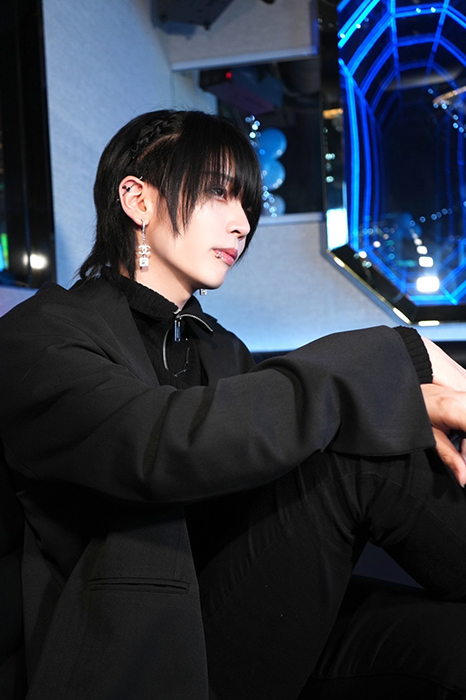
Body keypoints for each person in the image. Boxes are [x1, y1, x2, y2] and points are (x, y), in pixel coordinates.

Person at [1, 109, 466, 700]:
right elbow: (159, 447)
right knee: (354, 462)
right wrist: (398, 352)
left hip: (247, 601)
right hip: (144, 650)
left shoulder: (219, 347)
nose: (242, 223)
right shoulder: (40, 335)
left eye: (247, 202)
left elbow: (273, 456)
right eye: (218, 193)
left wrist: (412, 404)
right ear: (138, 199)